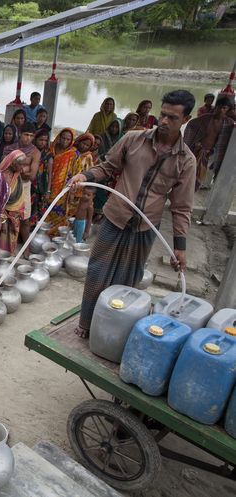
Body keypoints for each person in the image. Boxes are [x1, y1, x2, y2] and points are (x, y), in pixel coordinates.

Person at [68, 89, 197, 339]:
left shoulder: (186, 160)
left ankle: (112, 331)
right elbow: (107, 167)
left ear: (186, 120)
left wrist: (180, 246)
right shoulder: (133, 139)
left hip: (144, 228)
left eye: (173, 117)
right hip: (115, 217)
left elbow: (182, 207)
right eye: (163, 114)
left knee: (128, 279)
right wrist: (85, 176)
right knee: (97, 272)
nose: (165, 121)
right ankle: (86, 323)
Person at [184, 95, 235, 189]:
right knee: (192, 174)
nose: (221, 110)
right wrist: (195, 141)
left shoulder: (229, 123)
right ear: (216, 107)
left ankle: (203, 186)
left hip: (215, 153)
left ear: (227, 110)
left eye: (224, 108)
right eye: (219, 107)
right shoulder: (206, 118)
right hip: (200, 150)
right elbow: (191, 124)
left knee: (208, 172)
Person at [5, 123, 40, 244]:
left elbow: (32, 175)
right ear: (20, 134)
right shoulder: (10, 149)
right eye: (26, 135)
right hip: (9, 185)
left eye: (31, 136)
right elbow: (3, 168)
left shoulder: (35, 152)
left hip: (24, 186)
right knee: (5, 217)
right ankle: (5, 245)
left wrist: (18, 169)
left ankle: (26, 248)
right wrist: (23, 170)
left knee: (25, 219)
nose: (28, 138)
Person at [45, 128, 77, 232]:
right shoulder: (52, 148)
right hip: (50, 183)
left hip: (63, 187)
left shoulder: (73, 154)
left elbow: (75, 171)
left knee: (59, 211)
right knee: (47, 208)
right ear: (59, 137)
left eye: (68, 139)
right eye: (63, 138)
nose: (65, 141)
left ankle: (55, 233)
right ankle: (44, 230)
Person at [0, 151, 27, 254]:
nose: (22, 168)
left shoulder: (17, 175)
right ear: (13, 163)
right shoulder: (1, 176)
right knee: (0, 240)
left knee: (10, 240)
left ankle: (7, 260)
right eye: (21, 164)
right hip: (2, 214)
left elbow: (19, 195)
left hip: (14, 214)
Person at [31, 129, 53, 225]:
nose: (43, 142)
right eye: (41, 140)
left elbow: (50, 173)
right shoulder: (31, 151)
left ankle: (34, 232)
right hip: (30, 186)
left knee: (39, 211)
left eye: (45, 140)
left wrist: (48, 191)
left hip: (42, 188)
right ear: (35, 139)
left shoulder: (48, 155)